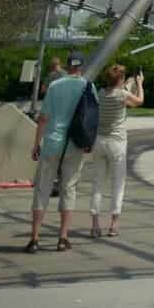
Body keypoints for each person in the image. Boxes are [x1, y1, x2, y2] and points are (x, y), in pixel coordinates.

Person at [25, 53, 92, 253]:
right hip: (75, 144)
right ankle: (62, 238)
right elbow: (92, 118)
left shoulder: (54, 86)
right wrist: (89, 142)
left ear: (67, 66)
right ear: (82, 66)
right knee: (69, 188)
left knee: (42, 189)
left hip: (52, 142)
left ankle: (35, 239)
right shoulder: (88, 86)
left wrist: (37, 144)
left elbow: (43, 118)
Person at [89, 63, 144, 239]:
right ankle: (113, 225)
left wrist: (127, 84)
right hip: (117, 143)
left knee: (98, 184)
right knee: (118, 184)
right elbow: (139, 101)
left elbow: (115, 91)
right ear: (120, 80)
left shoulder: (101, 94)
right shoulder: (122, 95)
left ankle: (95, 224)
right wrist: (140, 84)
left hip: (99, 140)